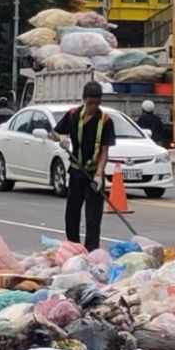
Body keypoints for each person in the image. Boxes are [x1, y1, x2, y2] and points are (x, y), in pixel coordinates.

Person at [52, 81, 116, 252]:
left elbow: (104, 150)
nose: (93, 107)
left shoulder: (105, 121)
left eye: (97, 103)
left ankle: (91, 252)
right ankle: (73, 249)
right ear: (84, 100)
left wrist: (99, 174)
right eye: (90, 103)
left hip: (94, 174)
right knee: (72, 214)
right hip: (76, 172)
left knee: (93, 218)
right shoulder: (73, 115)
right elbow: (54, 132)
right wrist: (61, 140)